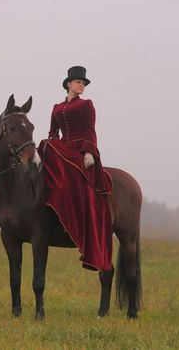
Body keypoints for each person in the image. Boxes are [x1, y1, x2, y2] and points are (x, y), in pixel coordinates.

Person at [38, 66, 113, 271]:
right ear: (69, 84)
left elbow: (90, 129)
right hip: (62, 148)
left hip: (80, 150)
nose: (82, 85)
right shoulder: (56, 108)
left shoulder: (86, 105)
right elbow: (53, 133)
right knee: (46, 144)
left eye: (84, 83)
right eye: (79, 82)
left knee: (73, 181)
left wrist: (89, 151)